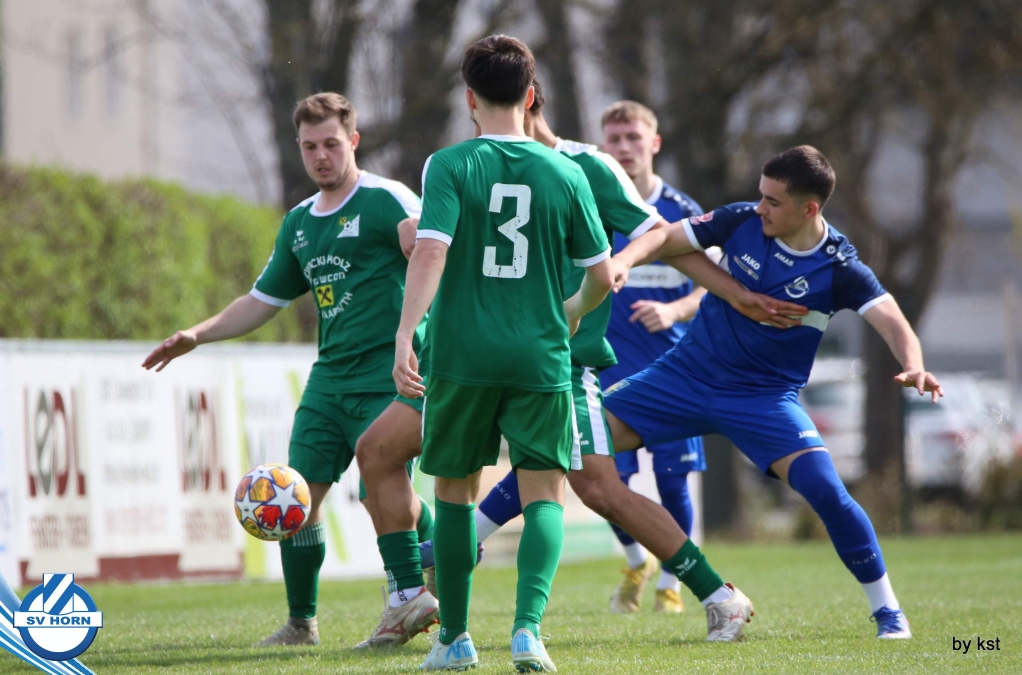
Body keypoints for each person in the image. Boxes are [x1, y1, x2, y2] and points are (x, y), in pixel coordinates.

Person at [419, 81, 812, 644]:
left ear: (523, 101)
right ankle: (425, 585)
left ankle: (717, 595)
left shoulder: (585, 167)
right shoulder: (472, 164)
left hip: (562, 362)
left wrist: (734, 294)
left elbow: (662, 237)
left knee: (596, 487)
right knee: (402, 452)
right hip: (480, 358)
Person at [603, 145, 943, 640]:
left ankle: (889, 611)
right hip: (684, 376)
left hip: (762, 398)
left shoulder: (838, 267)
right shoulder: (742, 219)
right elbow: (665, 238)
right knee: (572, 443)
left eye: (773, 201)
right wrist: (623, 261)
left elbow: (893, 322)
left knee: (827, 492)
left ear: (809, 209)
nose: (759, 207)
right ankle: (477, 544)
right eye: (760, 195)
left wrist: (914, 365)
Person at [141, 93, 438, 648]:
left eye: (331, 144)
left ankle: (412, 584)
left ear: (353, 141)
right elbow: (261, 300)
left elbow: (430, 252)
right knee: (294, 498)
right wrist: (197, 334)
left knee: (379, 488)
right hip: (329, 381)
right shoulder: (300, 222)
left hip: (390, 374)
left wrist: (420, 255)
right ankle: (302, 624)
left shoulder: (386, 198)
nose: (321, 156)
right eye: (309, 146)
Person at [394, 35, 617, 671]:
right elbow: (602, 276)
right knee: (544, 491)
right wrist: (570, 314)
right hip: (538, 354)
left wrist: (406, 333)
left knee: (454, 493)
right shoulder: (566, 172)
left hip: (462, 355)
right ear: (531, 95)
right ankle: (527, 632)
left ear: (469, 99)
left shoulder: (448, 165)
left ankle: (455, 639)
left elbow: (431, 249)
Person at [598, 99, 713, 614]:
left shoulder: (682, 210)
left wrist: (675, 311)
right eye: (614, 139)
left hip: (673, 371)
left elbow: (716, 285)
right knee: (603, 482)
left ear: (654, 143)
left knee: (672, 482)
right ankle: (635, 560)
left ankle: (670, 582)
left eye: (633, 138)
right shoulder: (596, 206)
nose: (624, 148)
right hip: (608, 371)